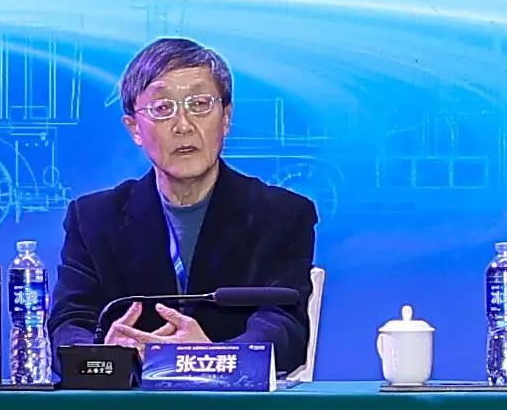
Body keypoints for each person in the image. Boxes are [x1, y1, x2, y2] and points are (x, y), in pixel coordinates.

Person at [50, 35, 320, 376]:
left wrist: (208, 358)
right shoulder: (93, 219)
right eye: (162, 108)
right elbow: (69, 323)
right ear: (134, 129)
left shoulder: (282, 215)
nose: (183, 125)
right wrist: (103, 352)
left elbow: (285, 328)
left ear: (226, 118)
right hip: (128, 406)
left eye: (200, 104)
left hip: (236, 406)